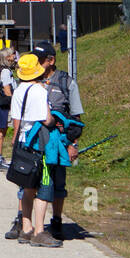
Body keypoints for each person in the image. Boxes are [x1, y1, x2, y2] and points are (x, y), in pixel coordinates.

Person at [33, 40, 84, 240]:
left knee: (58, 185)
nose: (36, 64)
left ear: (51, 60)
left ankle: (56, 221)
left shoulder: (66, 82)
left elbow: (76, 119)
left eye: (40, 61)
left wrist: (73, 144)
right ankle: (23, 221)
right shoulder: (30, 81)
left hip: (59, 144)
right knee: (27, 183)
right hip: (34, 143)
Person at [5, 52, 55, 246]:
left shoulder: (18, 91)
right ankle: (40, 230)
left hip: (23, 141)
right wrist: (54, 120)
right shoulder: (40, 91)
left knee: (27, 185)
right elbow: (46, 118)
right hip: (38, 143)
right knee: (44, 185)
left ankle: (26, 227)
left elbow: (16, 118)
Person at [0, 48, 18, 169]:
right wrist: (15, 105)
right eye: (12, 54)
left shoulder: (7, 70)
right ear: (7, 57)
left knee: (2, 131)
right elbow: (7, 90)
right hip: (5, 106)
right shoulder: (6, 72)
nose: (14, 56)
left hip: (3, 105)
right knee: (1, 132)